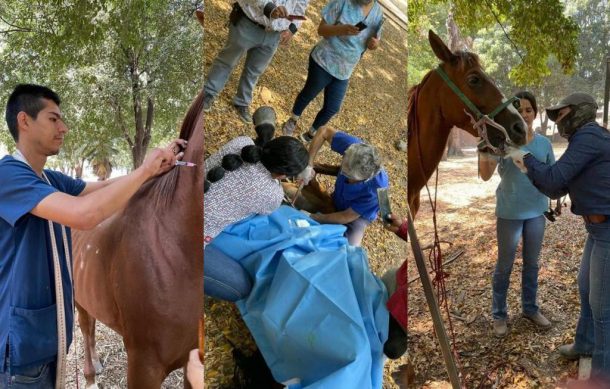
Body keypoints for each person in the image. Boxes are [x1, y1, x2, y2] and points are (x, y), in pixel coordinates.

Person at [0, 84, 180, 387]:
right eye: (54, 119)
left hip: (45, 341)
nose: (64, 128)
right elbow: (85, 214)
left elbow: (101, 188)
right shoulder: (7, 176)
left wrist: (156, 169)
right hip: (21, 350)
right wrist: (145, 171)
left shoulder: (48, 178)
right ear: (24, 121)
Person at [507, 92, 610, 387]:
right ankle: (585, 344)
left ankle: (602, 378)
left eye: (560, 114)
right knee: (586, 288)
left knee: (604, 309)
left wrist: (524, 157)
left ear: (578, 112)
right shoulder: (586, 138)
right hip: (597, 230)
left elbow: (553, 181)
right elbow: (557, 186)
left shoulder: (589, 136)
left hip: (607, 231)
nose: (557, 121)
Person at [203, 106, 309, 301]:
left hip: (173, 201)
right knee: (241, 289)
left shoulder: (242, 142)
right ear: (284, 175)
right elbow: (268, 207)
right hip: (181, 241)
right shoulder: (272, 194)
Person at [478, 91, 555, 337]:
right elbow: (485, 174)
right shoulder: (503, 142)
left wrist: (558, 200)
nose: (524, 114)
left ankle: (530, 309)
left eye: (528, 110)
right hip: (510, 212)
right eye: (518, 110)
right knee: (504, 266)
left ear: (535, 112)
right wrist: (484, 150)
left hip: (536, 212)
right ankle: (499, 314)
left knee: (532, 265)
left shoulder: (544, 144)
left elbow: (553, 177)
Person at [281, 0, 383, 142]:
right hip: (324, 60)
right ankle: (292, 121)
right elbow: (321, 30)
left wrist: (375, 45)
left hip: (345, 70)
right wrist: (341, 29)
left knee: (332, 107)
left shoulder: (378, 12)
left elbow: (374, 42)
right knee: (308, 94)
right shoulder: (343, 2)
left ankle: (311, 133)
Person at [203, 0, 309, 123]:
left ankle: (242, 102)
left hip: (274, 34)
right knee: (227, 61)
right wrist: (269, 8)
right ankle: (209, 93)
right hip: (248, 22)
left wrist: (292, 28)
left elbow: (301, 6)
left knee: (254, 71)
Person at [306, 125, 388, 246]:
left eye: (347, 174)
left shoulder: (377, 189)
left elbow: (346, 216)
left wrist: (313, 217)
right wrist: (308, 165)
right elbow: (324, 130)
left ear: (365, 178)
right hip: (340, 197)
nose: (343, 174)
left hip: (357, 216)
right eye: (343, 169)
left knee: (350, 248)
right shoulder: (355, 149)